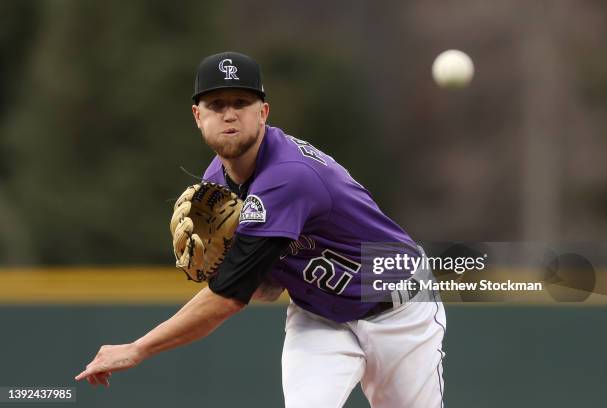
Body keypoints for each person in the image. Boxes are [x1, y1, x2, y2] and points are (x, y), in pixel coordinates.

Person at [75, 51, 446, 408]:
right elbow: (267, 289)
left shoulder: (288, 177)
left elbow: (228, 298)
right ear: (197, 116)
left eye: (241, 102)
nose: (229, 114)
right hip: (320, 316)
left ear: (263, 112)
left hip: (397, 308)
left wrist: (138, 347)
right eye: (216, 105)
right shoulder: (215, 188)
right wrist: (234, 267)